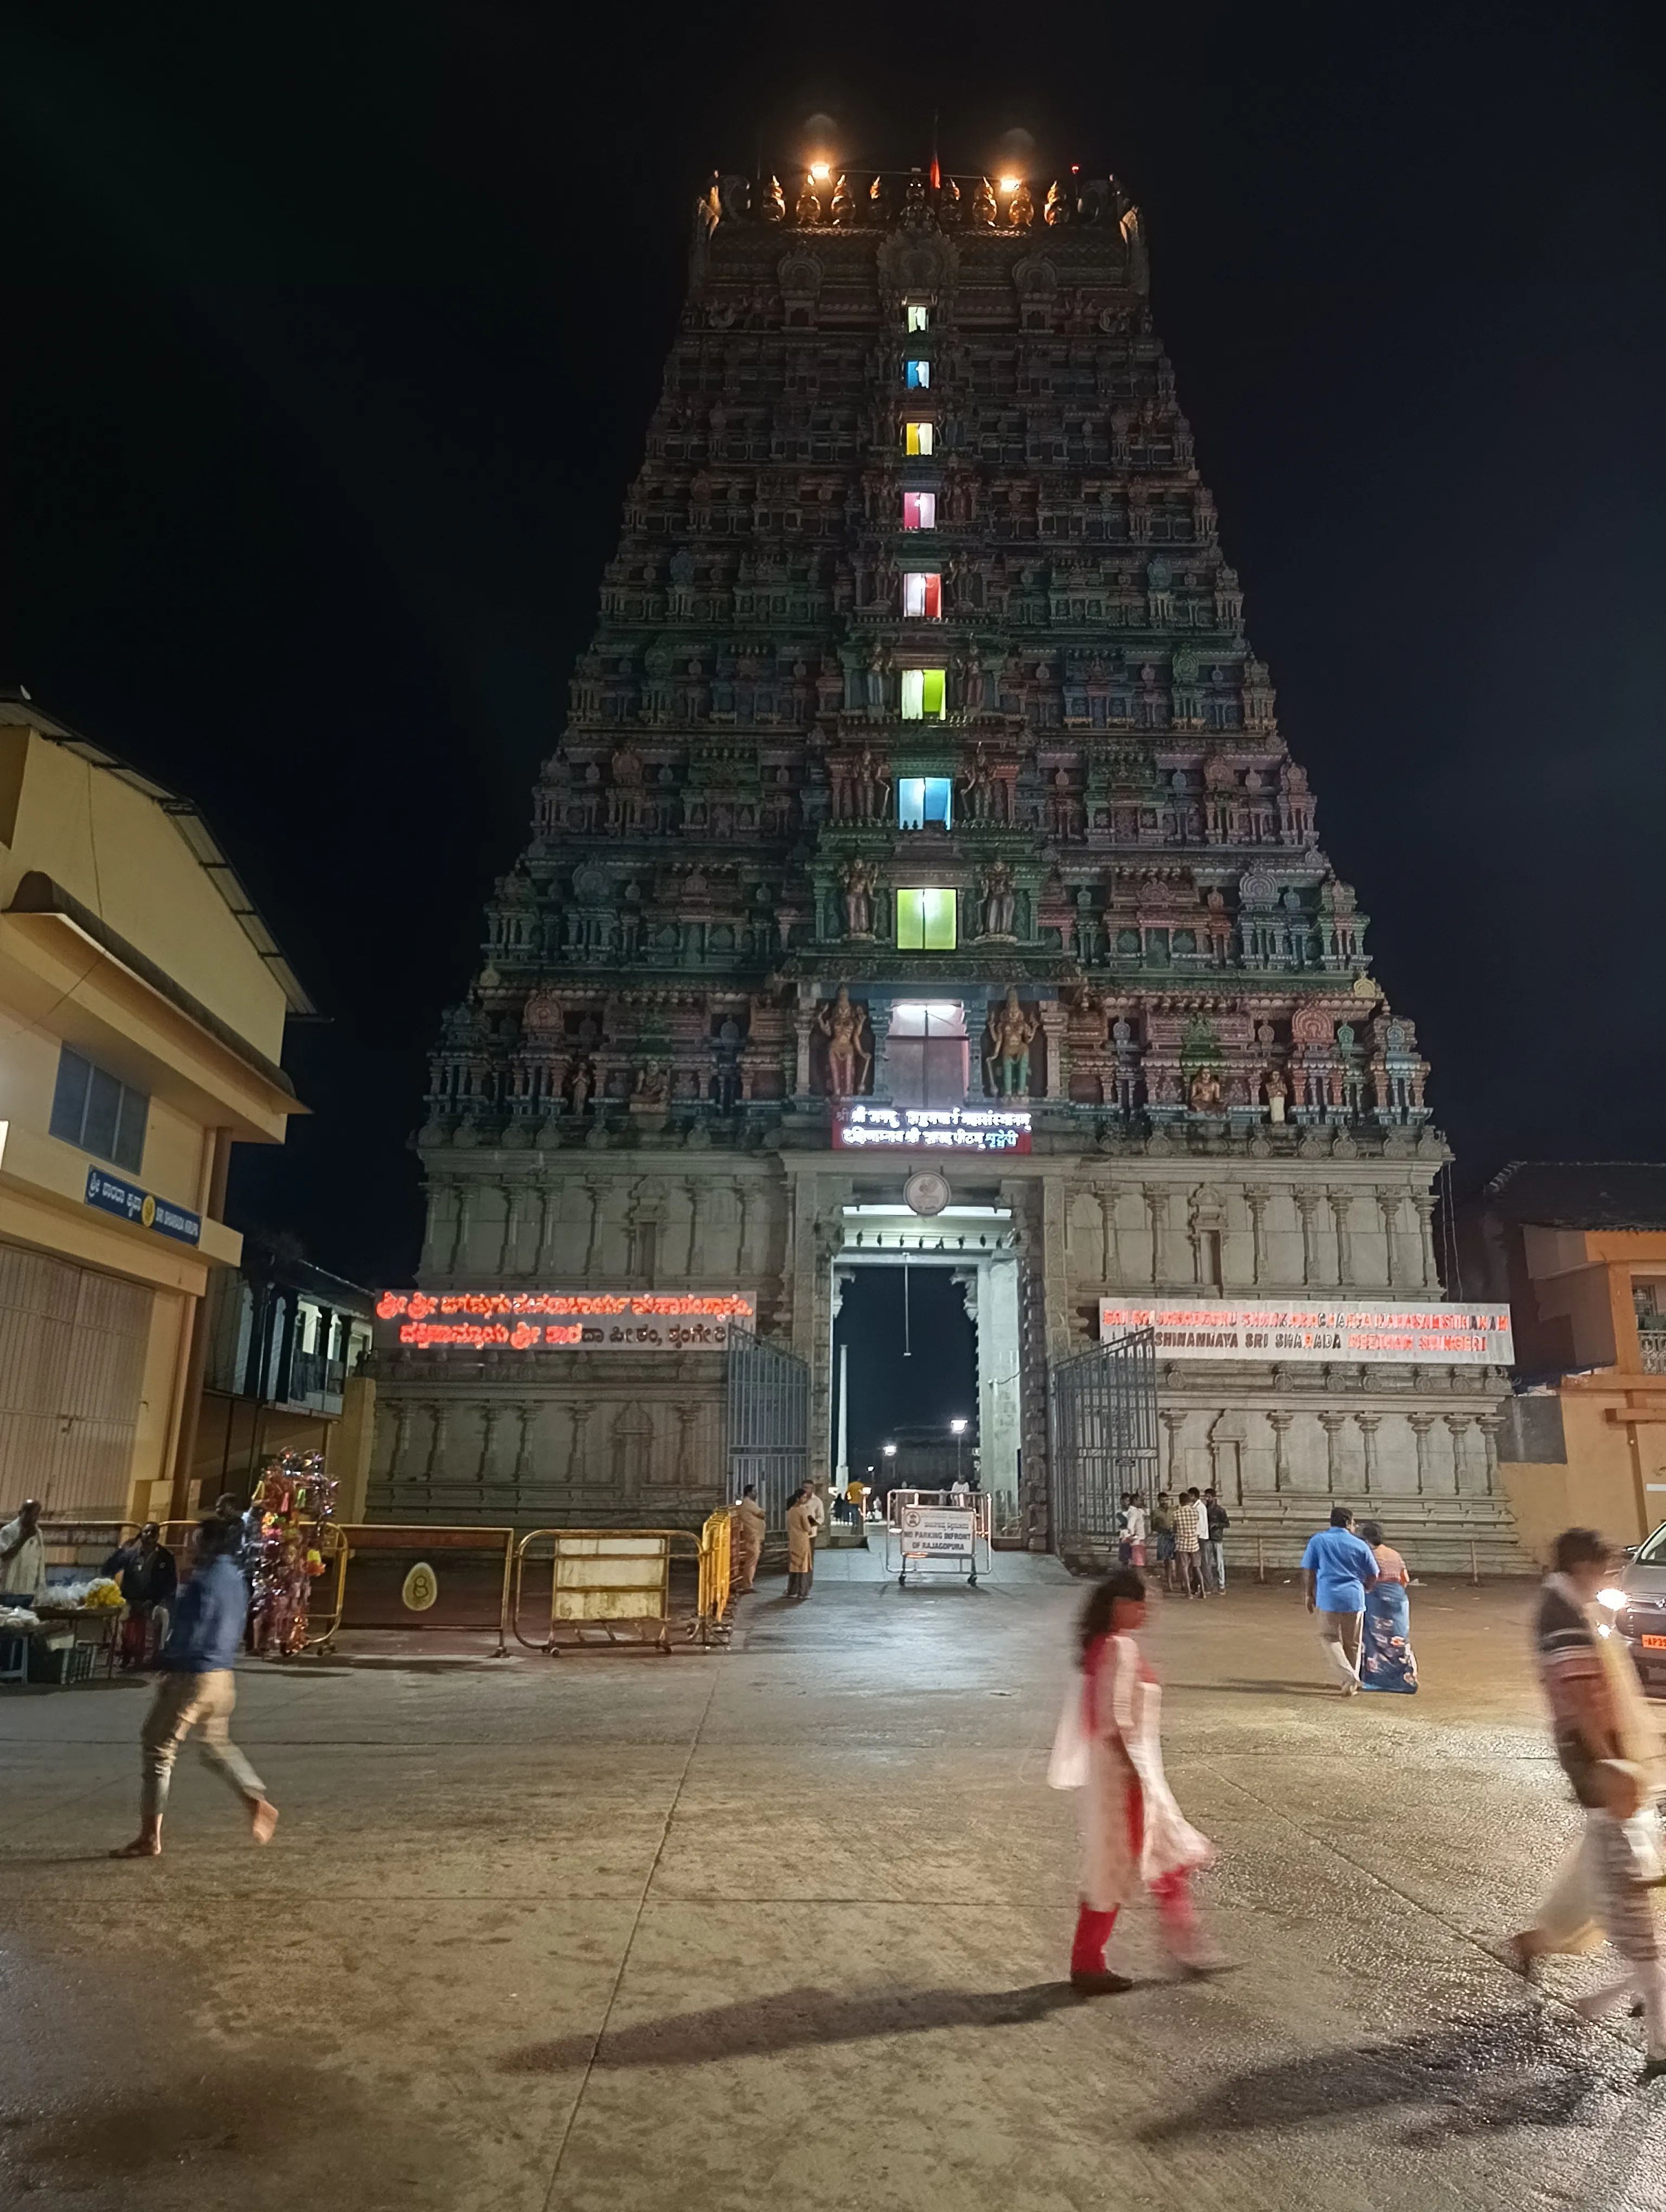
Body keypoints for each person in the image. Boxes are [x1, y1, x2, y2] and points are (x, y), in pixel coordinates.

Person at [1507, 1528, 1666, 2076]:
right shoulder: (1562, 1616)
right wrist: (1608, 1762)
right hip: (1599, 1760)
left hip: (1607, 1757)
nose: (1611, 1573)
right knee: (1625, 1868)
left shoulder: (1569, 1604)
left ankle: (1549, 1943)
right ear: (1580, 1565)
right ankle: (1645, 1995)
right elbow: (1577, 1697)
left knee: (1616, 1863)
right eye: (1606, 1564)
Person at [1048, 1567, 1218, 1990]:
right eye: (1142, 1605)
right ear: (1120, 1606)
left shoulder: (1103, 1647)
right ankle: (1091, 1962)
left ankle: (1183, 1946)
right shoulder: (1118, 1649)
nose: (1148, 1613)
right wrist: (1134, 1777)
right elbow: (1113, 1721)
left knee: (1160, 1859)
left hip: (1125, 1770)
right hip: (1128, 1772)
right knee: (1120, 1866)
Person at [111, 1517, 278, 1860]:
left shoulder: (202, 1583)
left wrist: (163, 1660)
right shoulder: (234, 1578)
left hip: (192, 1675)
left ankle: (149, 1837)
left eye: (194, 1541)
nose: (189, 1547)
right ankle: (255, 1800)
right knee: (213, 1745)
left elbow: (192, 1631)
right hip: (222, 1675)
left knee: (157, 1747)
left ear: (209, 1545)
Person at [1300, 1505, 1380, 1695]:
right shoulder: (1360, 1544)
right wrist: (1367, 1587)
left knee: (1329, 1638)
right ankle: (1350, 1685)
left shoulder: (1318, 1541)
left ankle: (1349, 1676)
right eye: (1354, 1523)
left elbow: (1309, 1569)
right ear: (1347, 1523)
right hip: (1354, 1597)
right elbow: (1374, 1573)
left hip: (1328, 1597)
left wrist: (1309, 1594)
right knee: (1353, 1643)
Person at [103, 1522, 179, 1669]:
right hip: (129, 1601)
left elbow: (171, 1585)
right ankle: (123, 1652)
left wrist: (153, 1601)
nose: (149, 1535)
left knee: (164, 1616)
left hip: (153, 1603)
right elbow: (107, 1570)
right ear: (141, 1534)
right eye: (146, 1532)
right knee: (112, 1618)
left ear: (158, 1536)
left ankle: (154, 1656)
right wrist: (121, 1551)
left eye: (153, 1532)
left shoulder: (166, 1557)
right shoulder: (131, 1553)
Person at [1357, 1519, 1417, 1693]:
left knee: (1376, 1639)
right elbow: (1404, 1577)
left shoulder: (1368, 1555)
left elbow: (1370, 1577)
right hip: (1399, 1600)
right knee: (1398, 1640)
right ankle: (1405, 1679)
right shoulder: (1394, 1553)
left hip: (1377, 1598)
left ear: (1366, 1540)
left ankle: (1378, 1679)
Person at [0, 1497, 45, 1605]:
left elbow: (40, 1561)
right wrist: (24, 1538)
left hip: (28, 1590)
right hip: (8, 1591)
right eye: (29, 1514)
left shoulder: (38, 1533)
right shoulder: (8, 1531)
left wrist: (40, 1586)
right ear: (21, 1513)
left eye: (36, 1515)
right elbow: (5, 1556)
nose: (33, 1518)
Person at [729, 1484, 765, 1594]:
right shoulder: (749, 1503)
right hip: (753, 1535)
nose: (756, 1493)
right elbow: (762, 1514)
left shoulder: (745, 1503)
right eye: (754, 1491)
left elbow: (737, 1504)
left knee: (751, 1560)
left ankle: (745, 1583)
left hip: (754, 1535)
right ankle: (747, 1585)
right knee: (752, 1561)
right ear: (749, 1493)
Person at [784, 1485, 816, 1600]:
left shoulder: (791, 1510)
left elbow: (788, 1525)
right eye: (804, 1498)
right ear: (799, 1498)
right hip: (802, 1539)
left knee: (794, 1566)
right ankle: (803, 1592)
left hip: (793, 1539)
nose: (806, 1500)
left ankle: (791, 1591)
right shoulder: (802, 1510)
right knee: (803, 1566)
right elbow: (807, 1527)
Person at [1174, 1489, 1206, 1599]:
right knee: (1197, 1567)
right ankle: (1203, 1591)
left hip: (1182, 1543)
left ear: (1180, 1502)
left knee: (1185, 1567)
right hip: (1194, 1542)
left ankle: (1188, 1592)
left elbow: (1175, 1528)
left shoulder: (1176, 1514)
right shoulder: (1195, 1512)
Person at [1202, 1489, 1230, 1593]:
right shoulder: (1204, 1509)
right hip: (1207, 1539)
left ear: (1214, 1497)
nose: (1207, 1499)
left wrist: (1217, 1525)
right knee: (1207, 1564)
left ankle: (1221, 1585)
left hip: (1217, 1539)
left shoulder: (1220, 1510)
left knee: (1219, 1563)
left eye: (1208, 1497)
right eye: (1206, 1497)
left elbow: (1227, 1524)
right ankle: (1209, 1586)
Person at [1151, 1491, 1177, 1591]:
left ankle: (1177, 1581)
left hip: (1173, 1537)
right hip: (1163, 1537)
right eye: (1162, 1500)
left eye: (1166, 1500)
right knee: (1167, 1561)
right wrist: (1165, 1531)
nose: (1164, 1502)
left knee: (1175, 1560)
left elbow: (1177, 1522)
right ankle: (1169, 1584)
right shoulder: (1156, 1512)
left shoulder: (1173, 1510)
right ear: (1158, 1501)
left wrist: (1174, 1530)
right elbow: (1154, 1527)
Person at [1123, 1493, 1147, 1569]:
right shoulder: (1134, 1512)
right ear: (1135, 1500)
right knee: (1139, 1563)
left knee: (1140, 1562)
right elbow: (1130, 1526)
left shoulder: (1137, 1511)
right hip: (1138, 1541)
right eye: (1140, 1500)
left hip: (1139, 1540)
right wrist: (1135, 1537)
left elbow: (1145, 1512)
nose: (1141, 1502)